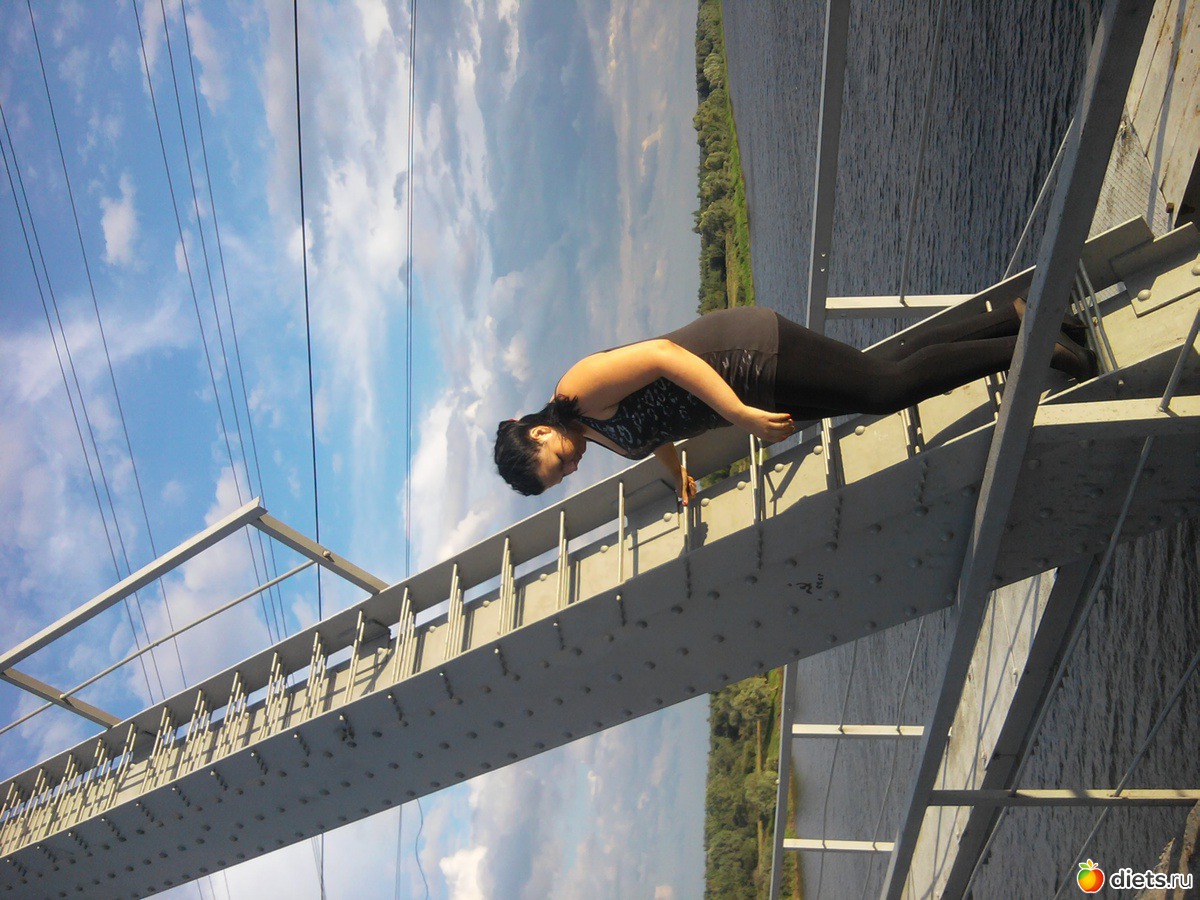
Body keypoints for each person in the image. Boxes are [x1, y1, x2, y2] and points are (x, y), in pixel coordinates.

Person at [494, 301, 1095, 503]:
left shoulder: (576, 389)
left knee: (885, 389)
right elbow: (653, 429)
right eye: (562, 478)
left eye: (558, 464)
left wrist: (738, 415)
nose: (571, 469)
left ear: (539, 433)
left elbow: (662, 356)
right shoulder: (585, 431)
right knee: (883, 375)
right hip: (744, 390)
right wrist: (676, 475)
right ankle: (1013, 319)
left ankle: (1037, 345)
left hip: (741, 356)